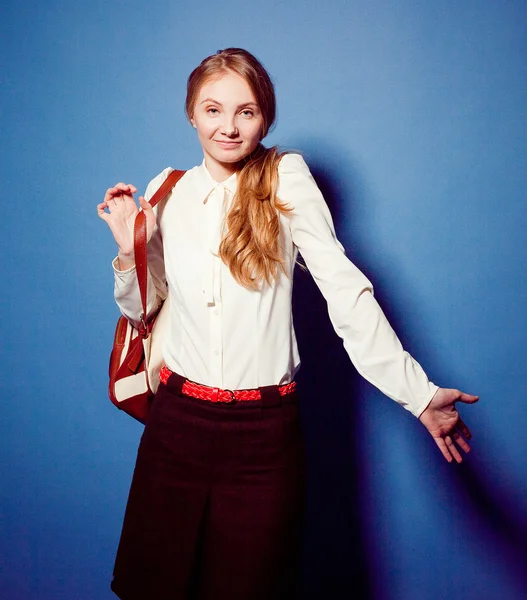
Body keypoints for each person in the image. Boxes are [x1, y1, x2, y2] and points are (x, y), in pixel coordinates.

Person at [97, 48, 478, 600]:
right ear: (190, 114)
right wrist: (129, 245)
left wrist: (417, 396)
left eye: (246, 112)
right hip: (177, 426)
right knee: (152, 587)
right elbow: (143, 310)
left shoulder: (285, 177)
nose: (228, 127)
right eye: (213, 110)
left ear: (266, 118)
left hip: (262, 436)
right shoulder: (168, 190)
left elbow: (346, 290)